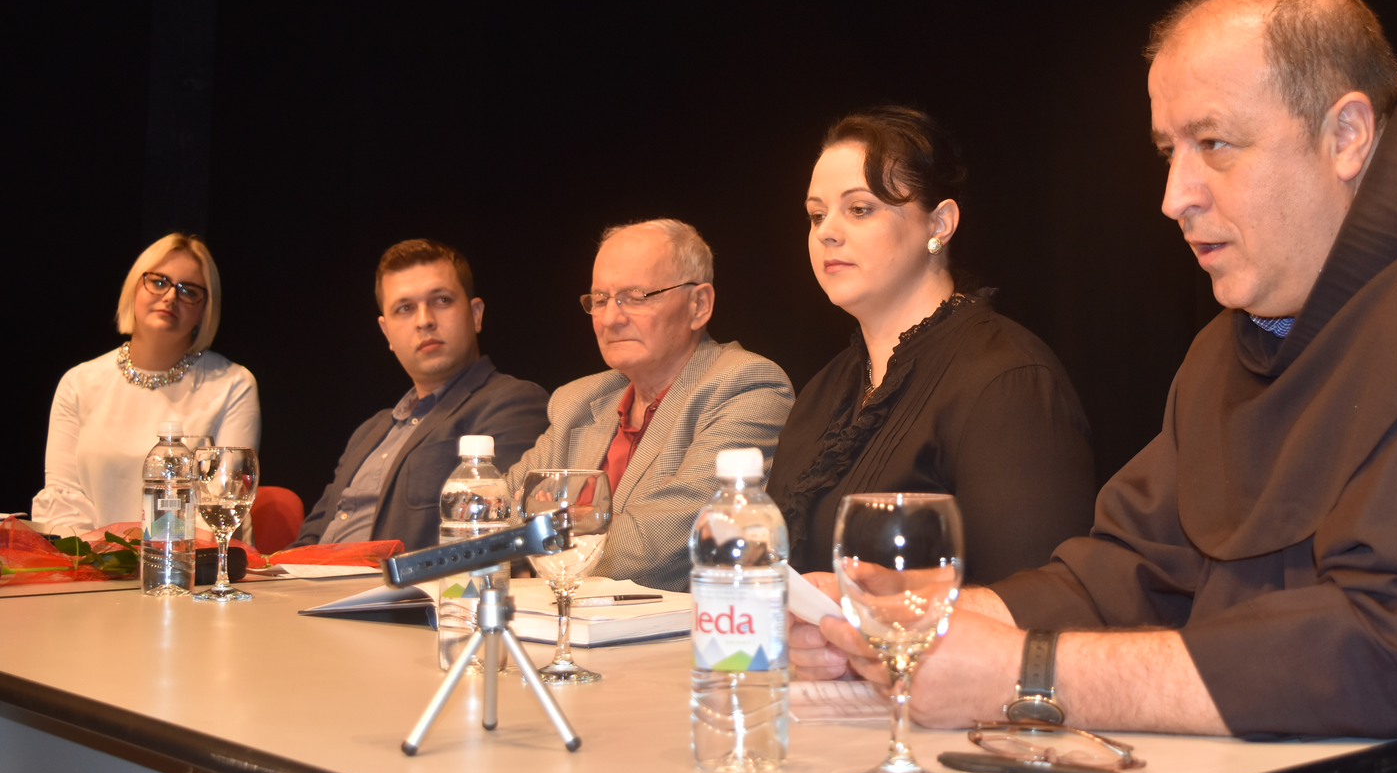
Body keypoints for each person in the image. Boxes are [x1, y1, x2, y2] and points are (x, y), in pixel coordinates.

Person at [791, 0, 1397, 773]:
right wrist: (911, 616)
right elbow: (1127, 569)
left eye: (1215, 144)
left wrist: (1028, 674)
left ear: (1346, 135)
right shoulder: (1240, 339)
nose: (1174, 194)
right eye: (1168, 151)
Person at [768, 106, 1095, 586]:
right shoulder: (824, 391)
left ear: (939, 224)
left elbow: (1038, 599)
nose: (827, 232)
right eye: (817, 215)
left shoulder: (1007, 381)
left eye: (859, 209)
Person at [505, 219, 794, 592]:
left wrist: (540, 538)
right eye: (600, 299)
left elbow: (658, 544)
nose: (611, 318)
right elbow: (493, 516)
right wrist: (557, 529)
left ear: (699, 305)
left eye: (636, 296)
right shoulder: (579, 400)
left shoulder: (745, 385)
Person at [294, 240, 549, 552]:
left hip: (396, 582)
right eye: (405, 308)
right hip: (316, 579)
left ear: (476, 314)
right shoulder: (369, 431)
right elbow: (311, 537)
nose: (424, 320)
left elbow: (487, 541)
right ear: (386, 333)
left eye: (441, 300)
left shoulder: (513, 403)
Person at [32, 234, 260, 537]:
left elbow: (221, 505)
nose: (170, 297)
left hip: (189, 560)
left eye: (188, 291)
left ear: (205, 310)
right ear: (134, 288)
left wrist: (155, 552)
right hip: (90, 558)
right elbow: (63, 499)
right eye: (159, 282)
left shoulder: (233, 384)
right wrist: (98, 555)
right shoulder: (79, 382)